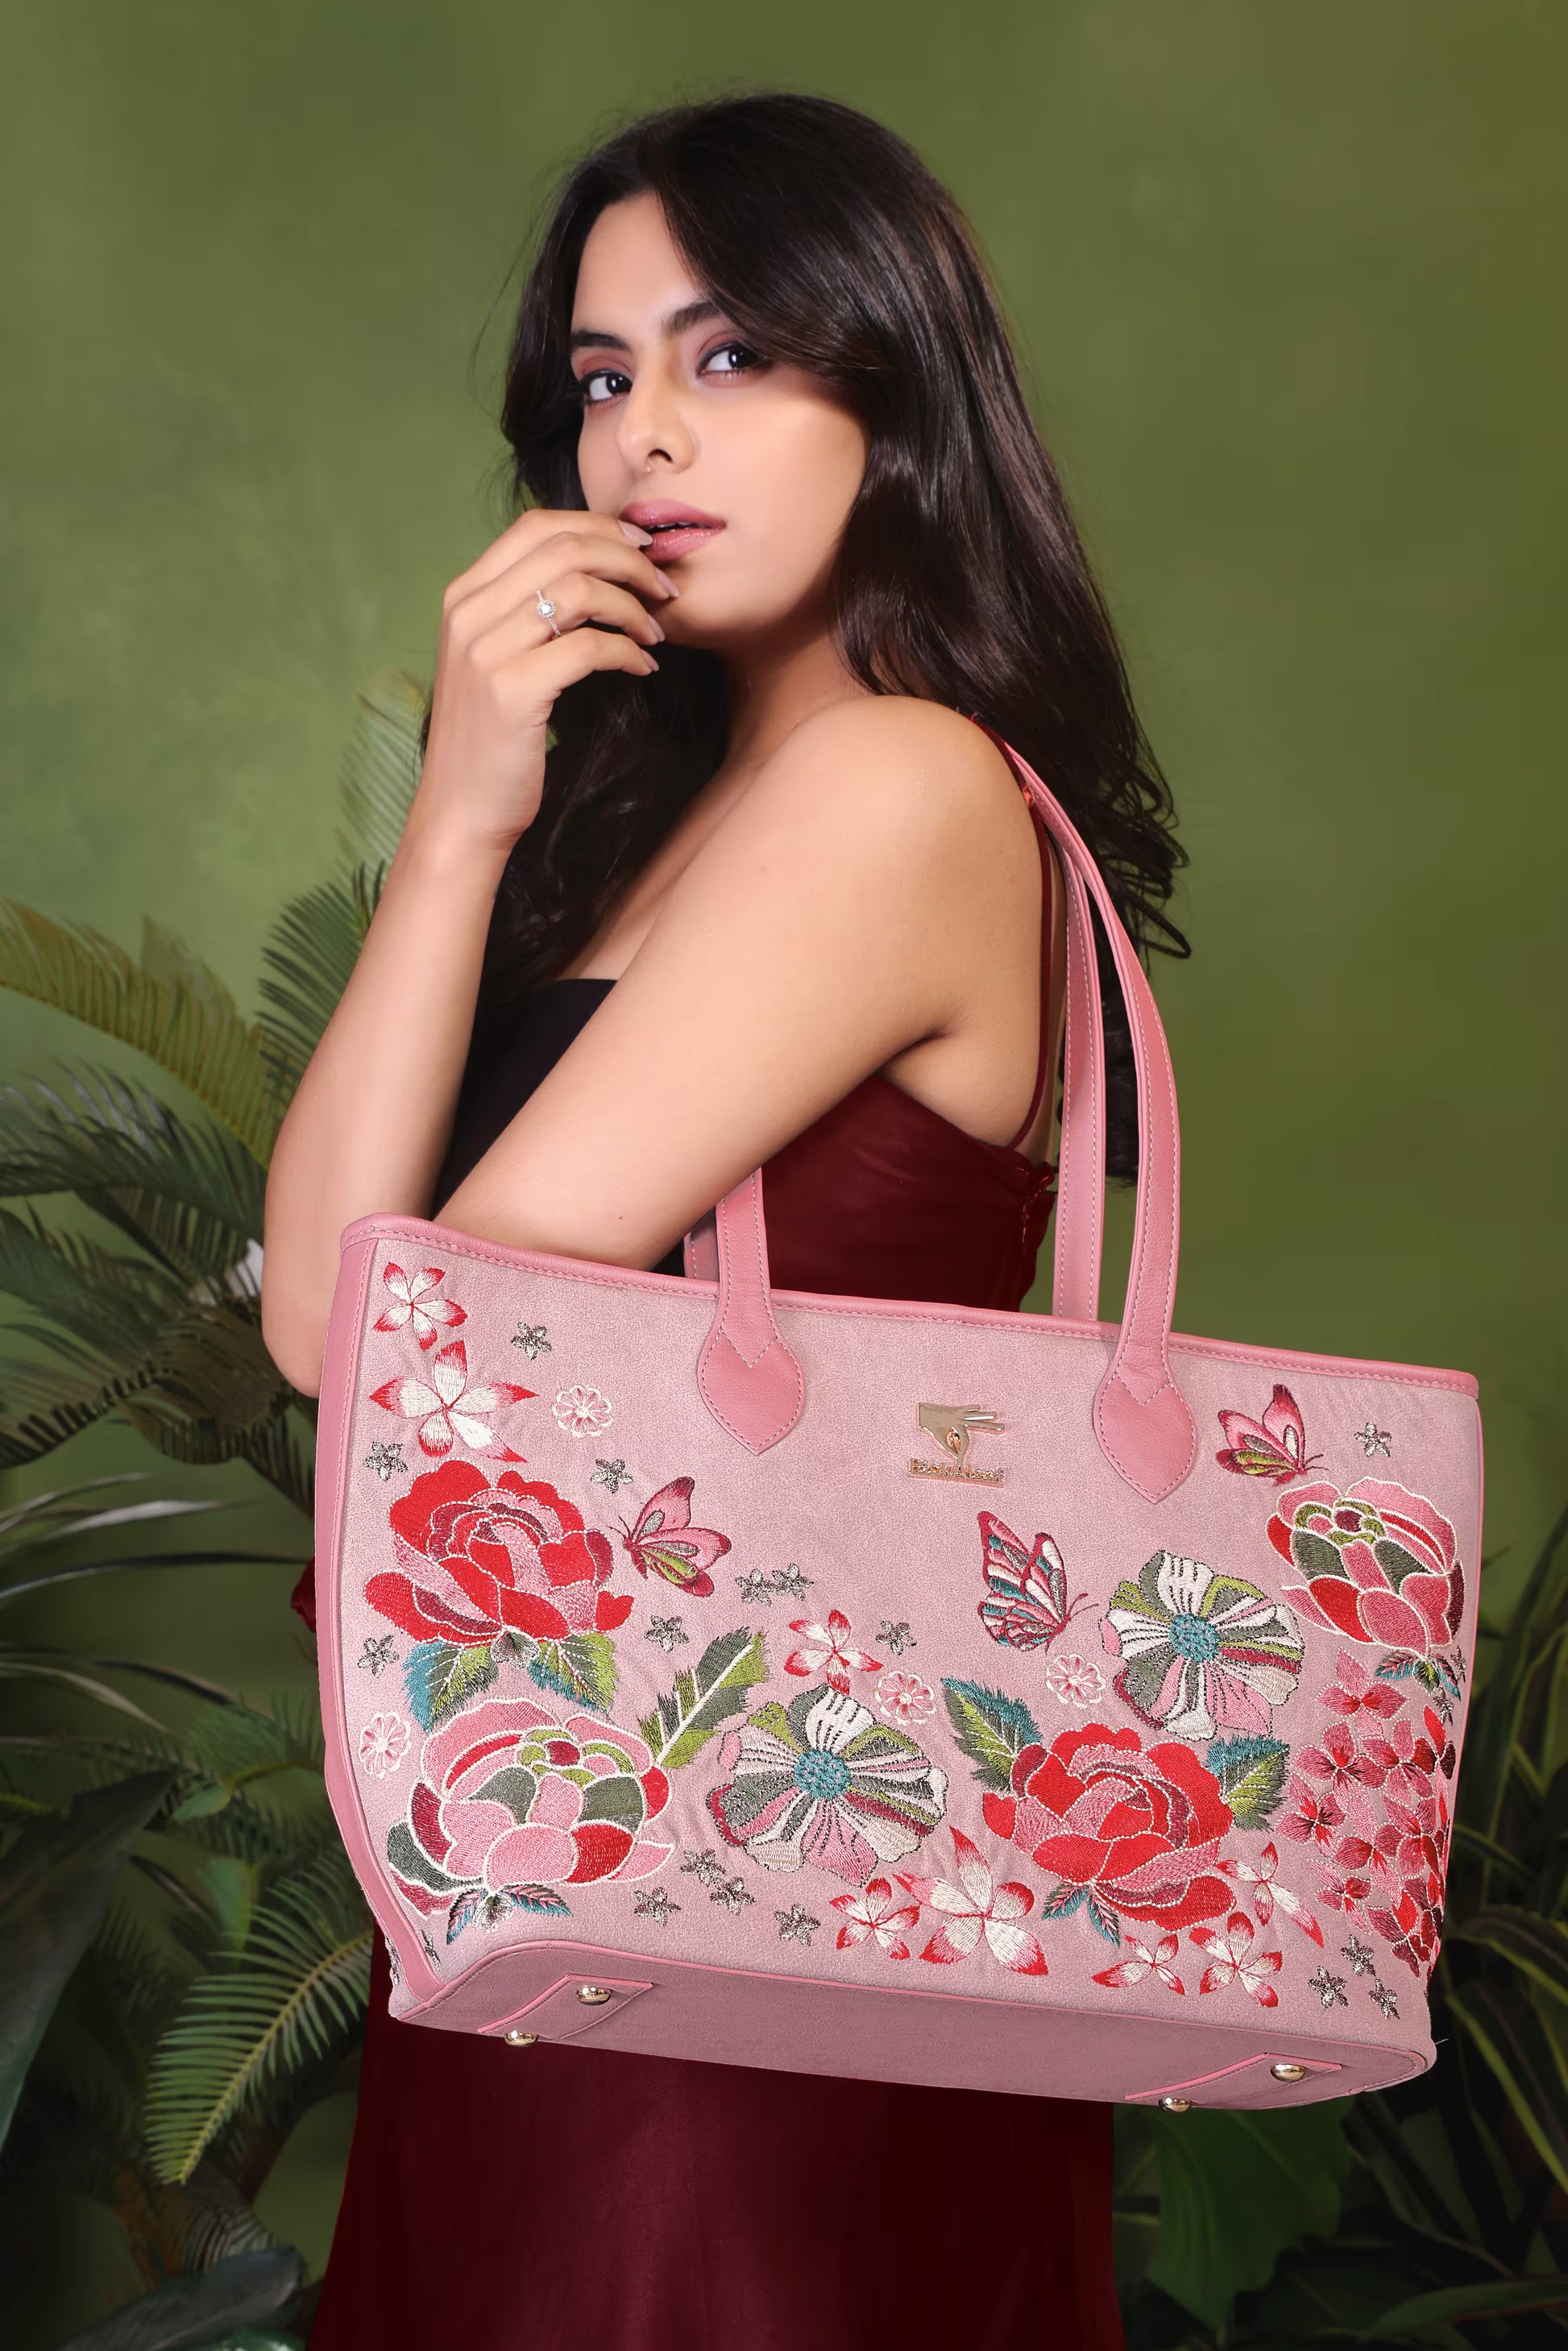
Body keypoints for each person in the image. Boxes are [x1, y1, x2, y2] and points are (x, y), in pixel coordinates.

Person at [263, 88, 1186, 2351]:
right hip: (593, 1876)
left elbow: (401, 1340)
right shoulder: (655, 814)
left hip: (754, 1954)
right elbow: (319, 1314)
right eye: (602, 378)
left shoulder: (898, 785)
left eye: (732, 354)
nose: (646, 437)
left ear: (897, 399)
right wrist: (463, 824)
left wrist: (480, 832)